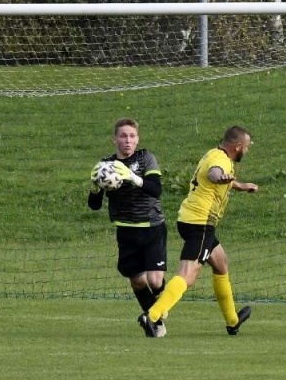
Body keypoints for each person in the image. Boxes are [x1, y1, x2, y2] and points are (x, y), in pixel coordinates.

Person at [138, 126, 258, 336]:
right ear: (238, 146)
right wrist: (219, 177)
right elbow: (214, 174)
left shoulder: (213, 153)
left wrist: (240, 185)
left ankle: (233, 321)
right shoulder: (220, 161)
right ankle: (152, 315)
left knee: (221, 263)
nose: (246, 151)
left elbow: (215, 177)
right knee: (188, 275)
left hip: (190, 220)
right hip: (200, 224)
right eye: (246, 147)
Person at [89, 118, 168, 337]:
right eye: (123, 136)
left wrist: (133, 177)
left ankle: (161, 305)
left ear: (137, 139)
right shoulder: (106, 165)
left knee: (155, 281)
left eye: (132, 136)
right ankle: (157, 323)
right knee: (137, 281)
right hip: (126, 230)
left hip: (151, 226)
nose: (128, 140)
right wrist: (94, 186)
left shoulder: (145, 158)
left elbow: (156, 190)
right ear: (114, 139)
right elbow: (94, 206)